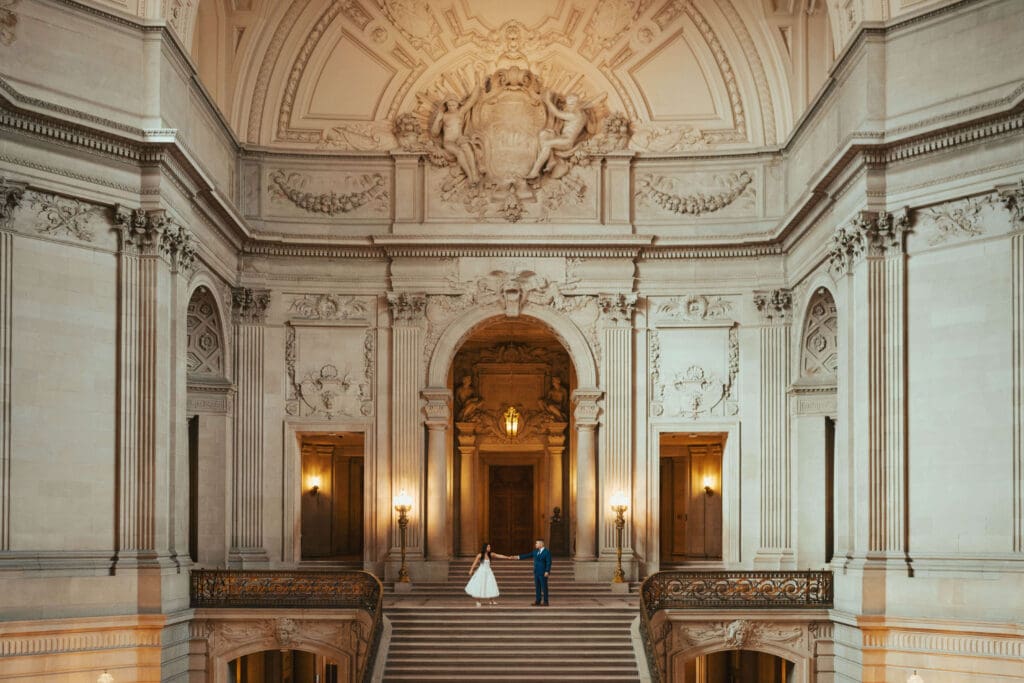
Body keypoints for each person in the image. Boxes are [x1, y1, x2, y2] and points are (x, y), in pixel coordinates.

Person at [431, 88, 481, 185]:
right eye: (449, 105)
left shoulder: (460, 112)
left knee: (467, 148)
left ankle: (475, 174)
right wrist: (437, 119)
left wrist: (477, 86)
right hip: (448, 142)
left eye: (453, 105)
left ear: (458, 104)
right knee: (459, 152)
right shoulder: (444, 116)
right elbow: (434, 133)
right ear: (446, 105)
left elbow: (471, 101)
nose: (452, 107)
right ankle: (470, 176)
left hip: (459, 139)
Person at [514, 538, 552, 606]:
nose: (535, 544)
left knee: (544, 587)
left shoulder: (547, 552)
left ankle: (546, 602)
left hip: (543, 572)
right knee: (537, 587)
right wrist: (517, 557)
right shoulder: (535, 551)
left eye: (536, 543)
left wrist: (547, 571)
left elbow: (549, 562)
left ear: (541, 544)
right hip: (536, 572)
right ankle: (538, 601)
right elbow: (527, 555)